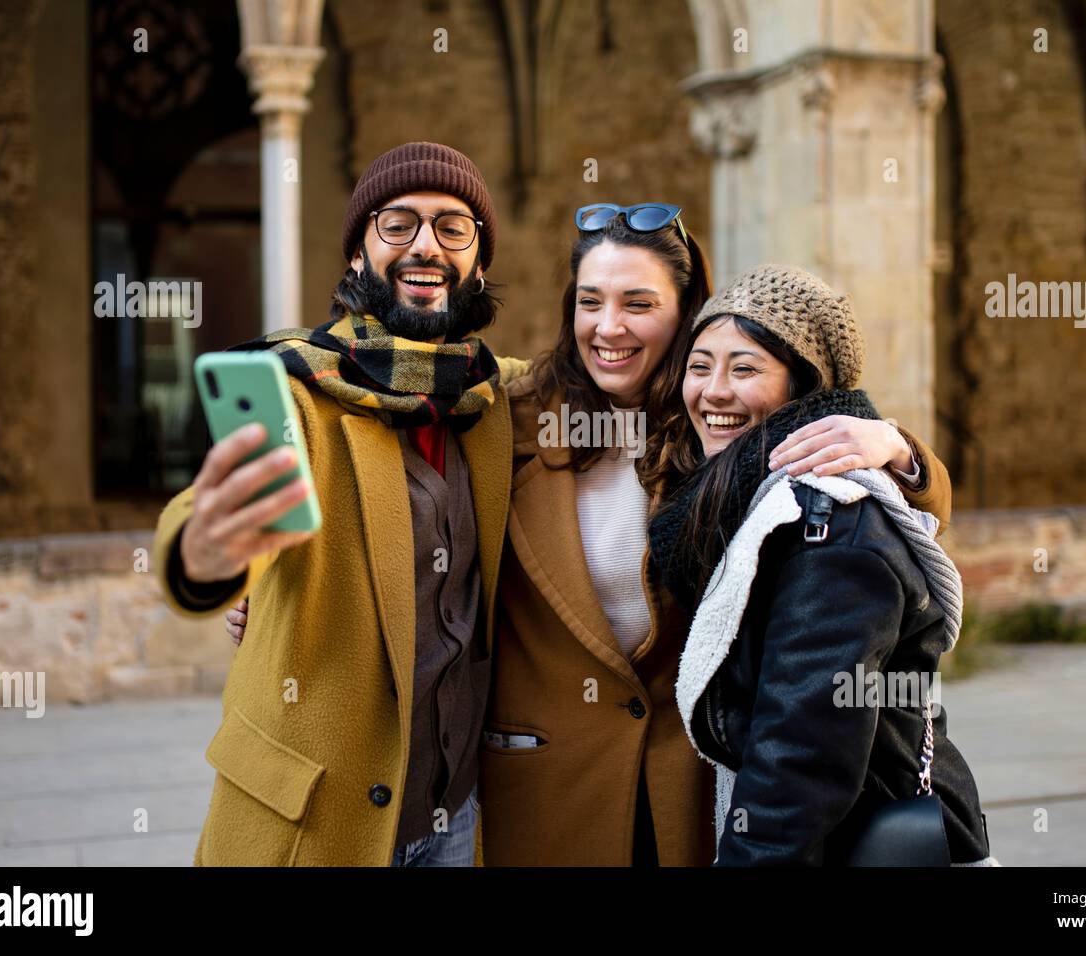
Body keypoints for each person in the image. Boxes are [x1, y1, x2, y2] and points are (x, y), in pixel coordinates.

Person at [227, 206, 955, 865]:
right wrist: (277, 581)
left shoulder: (725, 424)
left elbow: (867, 500)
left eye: (639, 304)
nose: (609, 327)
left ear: (686, 315)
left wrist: (900, 448)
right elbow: (393, 478)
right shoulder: (509, 415)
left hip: (689, 792)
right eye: (590, 302)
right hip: (547, 785)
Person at [154, 141, 516, 866]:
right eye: (398, 224)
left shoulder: (498, 398)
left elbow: (634, 379)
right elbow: (204, 514)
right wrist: (205, 552)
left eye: (453, 227)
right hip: (316, 820)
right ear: (358, 254)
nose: (426, 246)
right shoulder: (296, 389)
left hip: (458, 816)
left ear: (478, 263)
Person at [648, 264, 995, 865]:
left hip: (852, 839)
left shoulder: (830, 526)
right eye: (700, 366)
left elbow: (801, 763)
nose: (713, 391)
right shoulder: (731, 488)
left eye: (746, 367)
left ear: (804, 387)